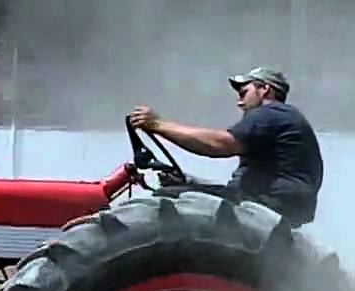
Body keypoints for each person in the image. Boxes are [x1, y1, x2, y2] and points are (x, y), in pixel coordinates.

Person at [127, 67, 323, 227]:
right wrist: (189, 181)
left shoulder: (273, 113)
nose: (239, 102)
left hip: (264, 203)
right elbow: (234, 190)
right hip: (269, 202)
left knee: (166, 201)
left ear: (264, 89)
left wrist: (157, 125)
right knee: (182, 190)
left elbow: (219, 144)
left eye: (244, 93)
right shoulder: (285, 120)